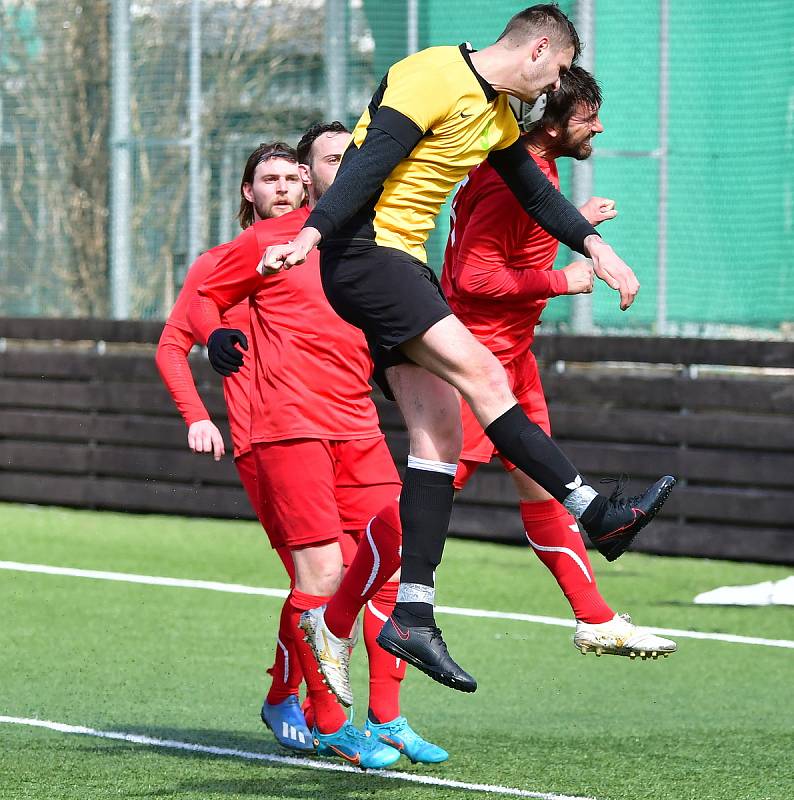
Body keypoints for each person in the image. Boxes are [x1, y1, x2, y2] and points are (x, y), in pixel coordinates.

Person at [255, 4, 675, 694]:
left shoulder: (499, 115)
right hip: (366, 254)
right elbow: (367, 166)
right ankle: (594, 510)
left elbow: (538, 196)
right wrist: (311, 234)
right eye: (561, 70)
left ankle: (405, 613)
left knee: (439, 435)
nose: (558, 88)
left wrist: (597, 248)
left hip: (396, 263)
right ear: (539, 49)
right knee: (483, 375)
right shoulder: (431, 74)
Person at [188, 122, 447, 769]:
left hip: (358, 425)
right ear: (308, 175)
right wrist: (214, 335)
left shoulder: (377, 241)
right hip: (288, 428)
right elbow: (201, 300)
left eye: (354, 157)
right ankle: (329, 720)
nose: (349, 166)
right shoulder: (269, 239)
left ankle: (386, 718)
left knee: (397, 556)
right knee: (322, 575)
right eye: (334, 158)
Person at [442, 65, 676, 660]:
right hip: (476, 365)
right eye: (586, 116)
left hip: (511, 360)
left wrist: (582, 224)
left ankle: (594, 617)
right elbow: (473, 277)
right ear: (548, 124)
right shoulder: (508, 181)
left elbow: (511, 241)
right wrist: (563, 281)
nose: (597, 126)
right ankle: (356, 593)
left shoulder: (534, 171)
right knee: (426, 499)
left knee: (547, 493)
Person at [155, 143, 315, 751]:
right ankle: (291, 699)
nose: (280, 187)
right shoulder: (218, 265)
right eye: (266, 179)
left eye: (289, 177)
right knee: (315, 576)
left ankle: (302, 699)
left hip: (323, 429)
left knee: (341, 575)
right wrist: (197, 415)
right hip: (259, 439)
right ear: (247, 192)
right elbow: (171, 346)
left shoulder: (320, 254)